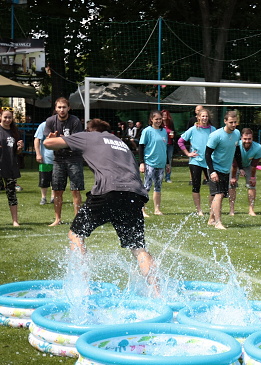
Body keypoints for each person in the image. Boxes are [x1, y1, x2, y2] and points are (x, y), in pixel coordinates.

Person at [44, 119, 159, 295]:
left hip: (108, 190)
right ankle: (158, 293)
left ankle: (83, 288)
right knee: (138, 248)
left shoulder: (89, 137)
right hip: (134, 194)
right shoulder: (120, 142)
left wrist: (51, 137)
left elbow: (49, 144)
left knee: (76, 234)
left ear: (89, 130)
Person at [44, 97, 84, 226]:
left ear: (69, 108)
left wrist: (60, 140)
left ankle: (77, 221)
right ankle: (57, 219)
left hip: (74, 158)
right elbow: (48, 142)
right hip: (58, 159)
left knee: (75, 190)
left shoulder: (75, 121)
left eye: (64, 107)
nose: (62, 110)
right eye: (59, 107)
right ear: (55, 108)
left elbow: (77, 142)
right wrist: (58, 140)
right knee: (57, 190)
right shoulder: (50, 121)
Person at [205, 110, 241, 229]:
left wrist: (241, 167)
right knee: (219, 194)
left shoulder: (237, 133)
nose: (234, 125)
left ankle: (211, 219)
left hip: (226, 169)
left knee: (221, 195)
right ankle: (218, 222)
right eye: (231, 122)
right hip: (215, 168)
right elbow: (207, 154)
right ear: (225, 121)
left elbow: (237, 151)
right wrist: (212, 171)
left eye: (235, 122)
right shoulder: (216, 135)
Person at [177, 107, 215, 216]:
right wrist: (188, 153)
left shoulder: (213, 129)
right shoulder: (193, 129)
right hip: (196, 161)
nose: (204, 118)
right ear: (198, 117)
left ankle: (212, 208)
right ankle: (199, 210)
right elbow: (180, 141)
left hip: (209, 162)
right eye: (202, 116)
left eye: (206, 116)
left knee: (213, 187)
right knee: (196, 186)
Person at [139, 111, 169, 216]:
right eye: (156, 119)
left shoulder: (164, 131)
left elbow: (165, 148)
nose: (158, 121)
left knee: (158, 187)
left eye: (160, 119)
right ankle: (142, 210)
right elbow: (141, 147)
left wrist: (167, 163)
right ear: (151, 119)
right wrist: (141, 163)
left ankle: (157, 209)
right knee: (147, 187)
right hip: (149, 163)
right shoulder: (147, 131)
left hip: (161, 164)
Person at [229, 128, 261, 216]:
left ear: (252, 138)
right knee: (232, 185)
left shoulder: (258, 147)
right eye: (245, 139)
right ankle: (231, 210)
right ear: (241, 138)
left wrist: (252, 177)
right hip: (235, 165)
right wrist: (233, 177)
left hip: (248, 165)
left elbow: (254, 165)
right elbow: (234, 163)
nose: (247, 141)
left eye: (249, 139)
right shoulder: (236, 145)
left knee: (252, 185)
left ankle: (251, 210)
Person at [0, 109, 24, 226]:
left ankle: (15, 220)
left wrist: (19, 148)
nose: (7, 119)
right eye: (5, 117)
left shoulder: (15, 132)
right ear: (0, 117)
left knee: (11, 194)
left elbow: (17, 152)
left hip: (10, 166)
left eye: (9, 117)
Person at [33, 120, 54, 205]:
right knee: (44, 179)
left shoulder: (63, 125)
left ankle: (53, 197)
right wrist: (38, 154)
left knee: (56, 180)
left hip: (58, 159)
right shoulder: (44, 125)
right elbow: (37, 140)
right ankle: (43, 197)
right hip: (45, 158)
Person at [161, 109, 175, 183]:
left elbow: (173, 131)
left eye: (165, 115)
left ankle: (168, 177)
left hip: (169, 144)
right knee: (161, 160)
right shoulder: (159, 124)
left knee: (169, 161)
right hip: (161, 145)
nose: (164, 116)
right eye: (163, 115)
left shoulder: (170, 123)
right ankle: (160, 176)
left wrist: (172, 135)